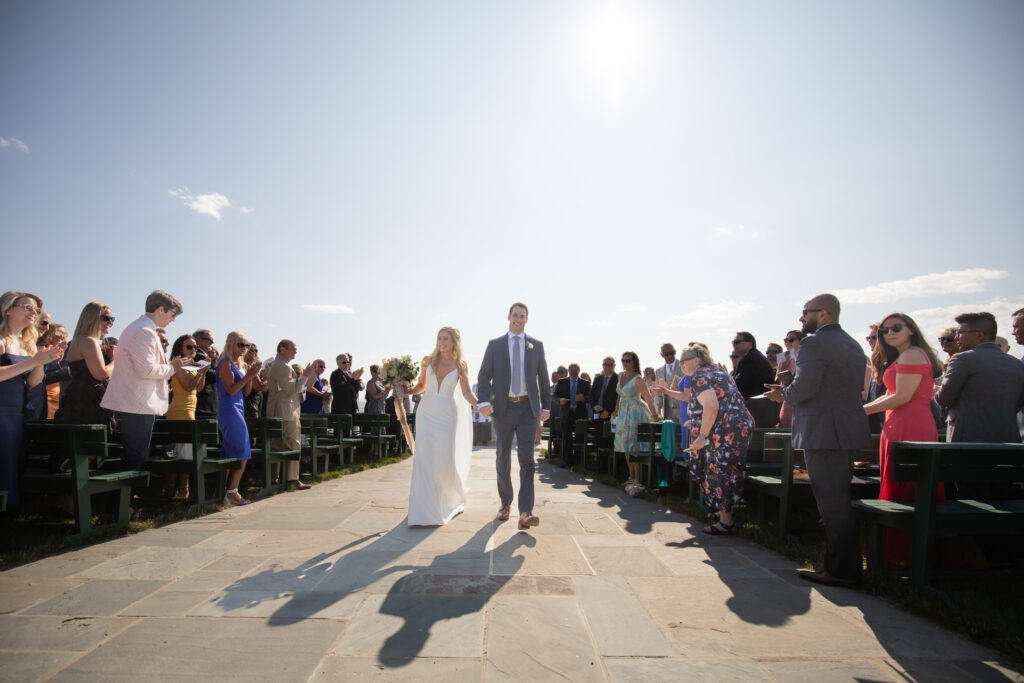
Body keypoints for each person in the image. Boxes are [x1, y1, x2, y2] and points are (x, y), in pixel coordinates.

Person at [766, 293, 871, 588]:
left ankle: (841, 570)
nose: (801, 319)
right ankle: (845, 565)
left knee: (832, 503)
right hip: (843, 430)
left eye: (805, 313)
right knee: (838, 499)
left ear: (824, 313)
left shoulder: (814, 342)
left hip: (824, 431)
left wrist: (781, 394)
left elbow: (805, 389)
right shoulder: (851, 342)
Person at [863, 313, 945, 564]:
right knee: (900, 484)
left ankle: (905, 554)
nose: (889, 333)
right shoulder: (904, 356)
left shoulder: (912, 354)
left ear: (911, 329)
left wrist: (859, 412)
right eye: (884, 331)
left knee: (908, 488)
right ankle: (898, 553)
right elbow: (890, 394)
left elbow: (902, 397)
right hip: (899, 424)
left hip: (911, 425)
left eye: (896, 328)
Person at [100, 291, 188, 518]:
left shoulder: (140, 329)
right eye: (171, 314)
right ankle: (122, 509)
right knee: (135, 456)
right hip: (137, 403)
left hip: (135, 402)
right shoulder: (144, 332)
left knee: (135, 454)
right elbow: (145, 370)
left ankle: (120, 507)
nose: (172, 319)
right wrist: (173, 368)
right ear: (160, 309)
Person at [477, 302, 550, 530]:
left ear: (527, 319)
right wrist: (485, 401)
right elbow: (484, 374)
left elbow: (544, 379)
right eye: (515, 315)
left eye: (522, 316)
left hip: (528, 410)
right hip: (503, 409)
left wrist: (545, 406)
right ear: (508, 316)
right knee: (503, 457)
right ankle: (505, 503)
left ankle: (526, 512)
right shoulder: (495, 345)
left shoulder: (536, 346)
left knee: (528, 460)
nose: (518, 319)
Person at [667, 344, 753, 532]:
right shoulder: (717, 371)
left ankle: (726, 522)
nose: (680, 364)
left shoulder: (699, 375)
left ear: (696, 360)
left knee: (718, 469)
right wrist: (697, 421)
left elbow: (712, 406)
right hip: (737, 425)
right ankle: (723, 513)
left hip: (724, 429)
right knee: (728, 469)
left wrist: (702, 435)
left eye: (683, 360)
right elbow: (723, 400)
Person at [406, 326, 479, 525]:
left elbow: (466, 393)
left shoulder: (460, 365)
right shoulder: (426, 361)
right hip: (427, 412)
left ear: (454, 341)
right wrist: (406, 390)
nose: (441, 342)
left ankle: (445, 501)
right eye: (439, 338)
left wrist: (480, 405)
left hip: (447, 415)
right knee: (425, 458)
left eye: (446, 338)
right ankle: (422, 509)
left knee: (444, 459)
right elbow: (421, 386)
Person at [1, 292, 63, 506]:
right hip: (1, 412)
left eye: (36, 310)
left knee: (13, 465)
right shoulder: (1, 340)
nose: (33, 313)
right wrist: (31, 362)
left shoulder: (26, 343)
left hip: (18, 414)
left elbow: (34, 382)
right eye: (27, 307)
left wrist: (40, 362)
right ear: (9, 309)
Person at [936, 312, 1024, 445]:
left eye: (960, 333)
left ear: (979, 335)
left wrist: (935, 392)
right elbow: (1017, 404)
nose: (956, 337)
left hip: (967, 443)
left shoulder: (962, 359)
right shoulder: (1017, 364)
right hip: (1008, 442)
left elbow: (944, 399)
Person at [54, 302, 117, 436]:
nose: (110, 323)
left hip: (75, 399)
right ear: (92, 318)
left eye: (112, 319)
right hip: (89, 403)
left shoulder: (77, 341)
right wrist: (115, 360)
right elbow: (101, 374)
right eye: (106, 318)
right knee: (90, 449)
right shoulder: (89, 342)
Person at [216, 331, 264, 504]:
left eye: (247, 346)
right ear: (230, 344)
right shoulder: (225, 363)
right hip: (229, 410)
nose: (244, 349)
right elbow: (230, 389)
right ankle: (232, 491)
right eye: (240, 345)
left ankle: (227, 490)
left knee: (236, 450)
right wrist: (249, 375)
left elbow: (246, 392)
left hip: (238, 408)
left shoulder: (239, 365)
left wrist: (251, 374)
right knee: (242, 450)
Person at [266, 339, 314, 490]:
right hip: (286, 412)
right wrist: (305, 377)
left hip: (278, 410)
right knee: (293, 445)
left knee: (277, 446)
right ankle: (292, 479)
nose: (295, 351)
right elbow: (291, 390)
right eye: (293, 349)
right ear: (282, 349)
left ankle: (276, 478)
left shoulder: (278, 365)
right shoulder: (282, 367)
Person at [164, 334, 206, 499]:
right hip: (180, 409)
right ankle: (183, 489)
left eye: (195, 347)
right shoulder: (179, 365)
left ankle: (174, 489)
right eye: (189, 347)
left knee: (182, 450)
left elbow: (199, 388)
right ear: (179, 349)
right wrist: (201, 372)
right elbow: (188, 387)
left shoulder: (191, 366)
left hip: (190, 408)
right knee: (183, 451)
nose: (193, 350)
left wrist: (201, 371)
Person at [613, 351, 660, 496]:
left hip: (635, 413)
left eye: (628, 360)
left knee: (634, 445)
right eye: (623, 360)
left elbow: (647, 397)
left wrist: (654, 415)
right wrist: (616, 410)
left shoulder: (638, 379)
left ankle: (637, 478)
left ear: (634, 362)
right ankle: (630, 476)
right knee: (625, 445)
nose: (625, 363)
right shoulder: (621, 376)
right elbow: (619, 395)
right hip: (623, 413)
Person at [554, 363, 590, 467]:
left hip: (580, 414)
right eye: (572, 370)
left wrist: (583, 398)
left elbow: (590, 397)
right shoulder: (562, 382)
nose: (574, 372)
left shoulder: (585, 383)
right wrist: (559, 400)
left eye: (576, 370)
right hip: (566, 413)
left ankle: (579, 461)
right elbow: (555, 396)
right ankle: (566, 460)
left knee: (580, 437)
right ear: (569, 371)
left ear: (579, 371)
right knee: (566, 438)